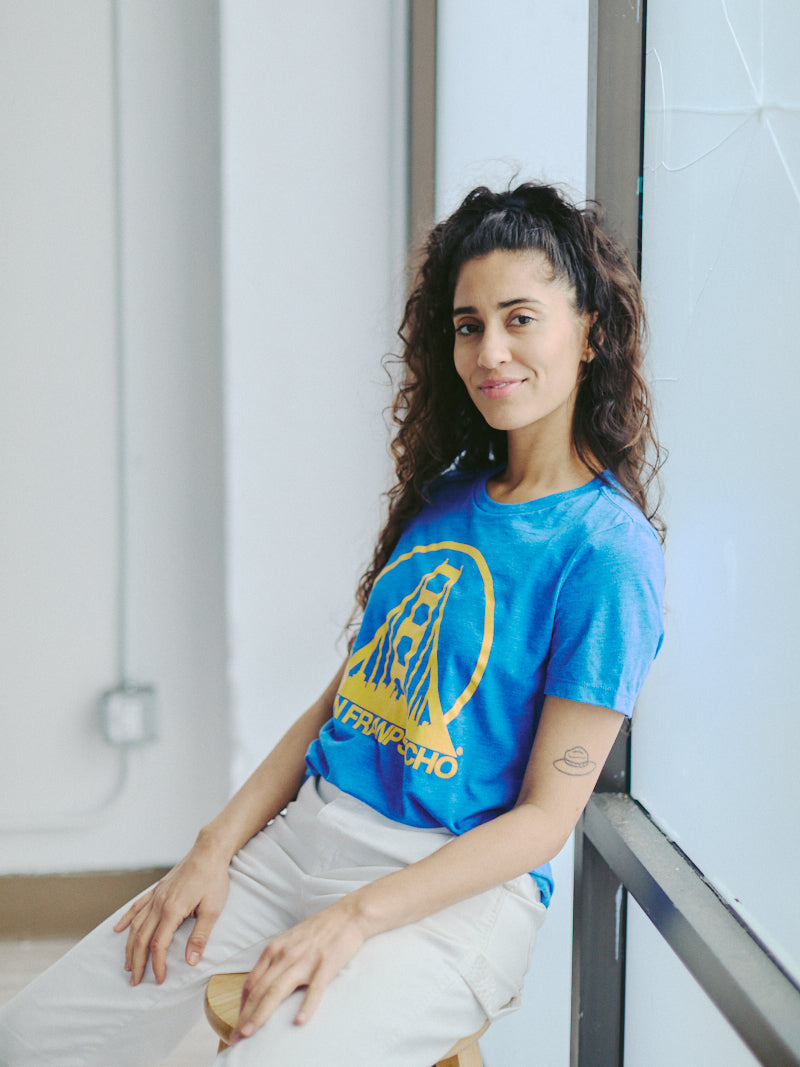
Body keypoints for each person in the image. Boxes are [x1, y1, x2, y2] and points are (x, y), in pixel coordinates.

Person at [0, 182, 665, 1066]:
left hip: (449, 896)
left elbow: (545, 819)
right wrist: (212, 849)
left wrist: (352, 918)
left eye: (519, 318)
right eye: (469, 325)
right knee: (34, 1035)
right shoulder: (447, 500)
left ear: (588, 332)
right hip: (305, 841)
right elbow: (342, 701)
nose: (490, 351)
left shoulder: (607, 552)